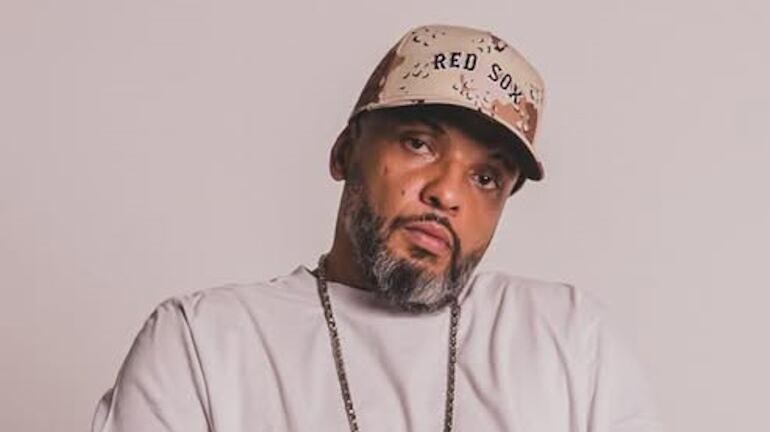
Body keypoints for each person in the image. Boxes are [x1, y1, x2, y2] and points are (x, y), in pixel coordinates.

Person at [91, 24, 662, 432]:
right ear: (345, 152)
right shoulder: (202, 343)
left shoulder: (570, 340)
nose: (447, 193)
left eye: (486, 178)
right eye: (419, 143)